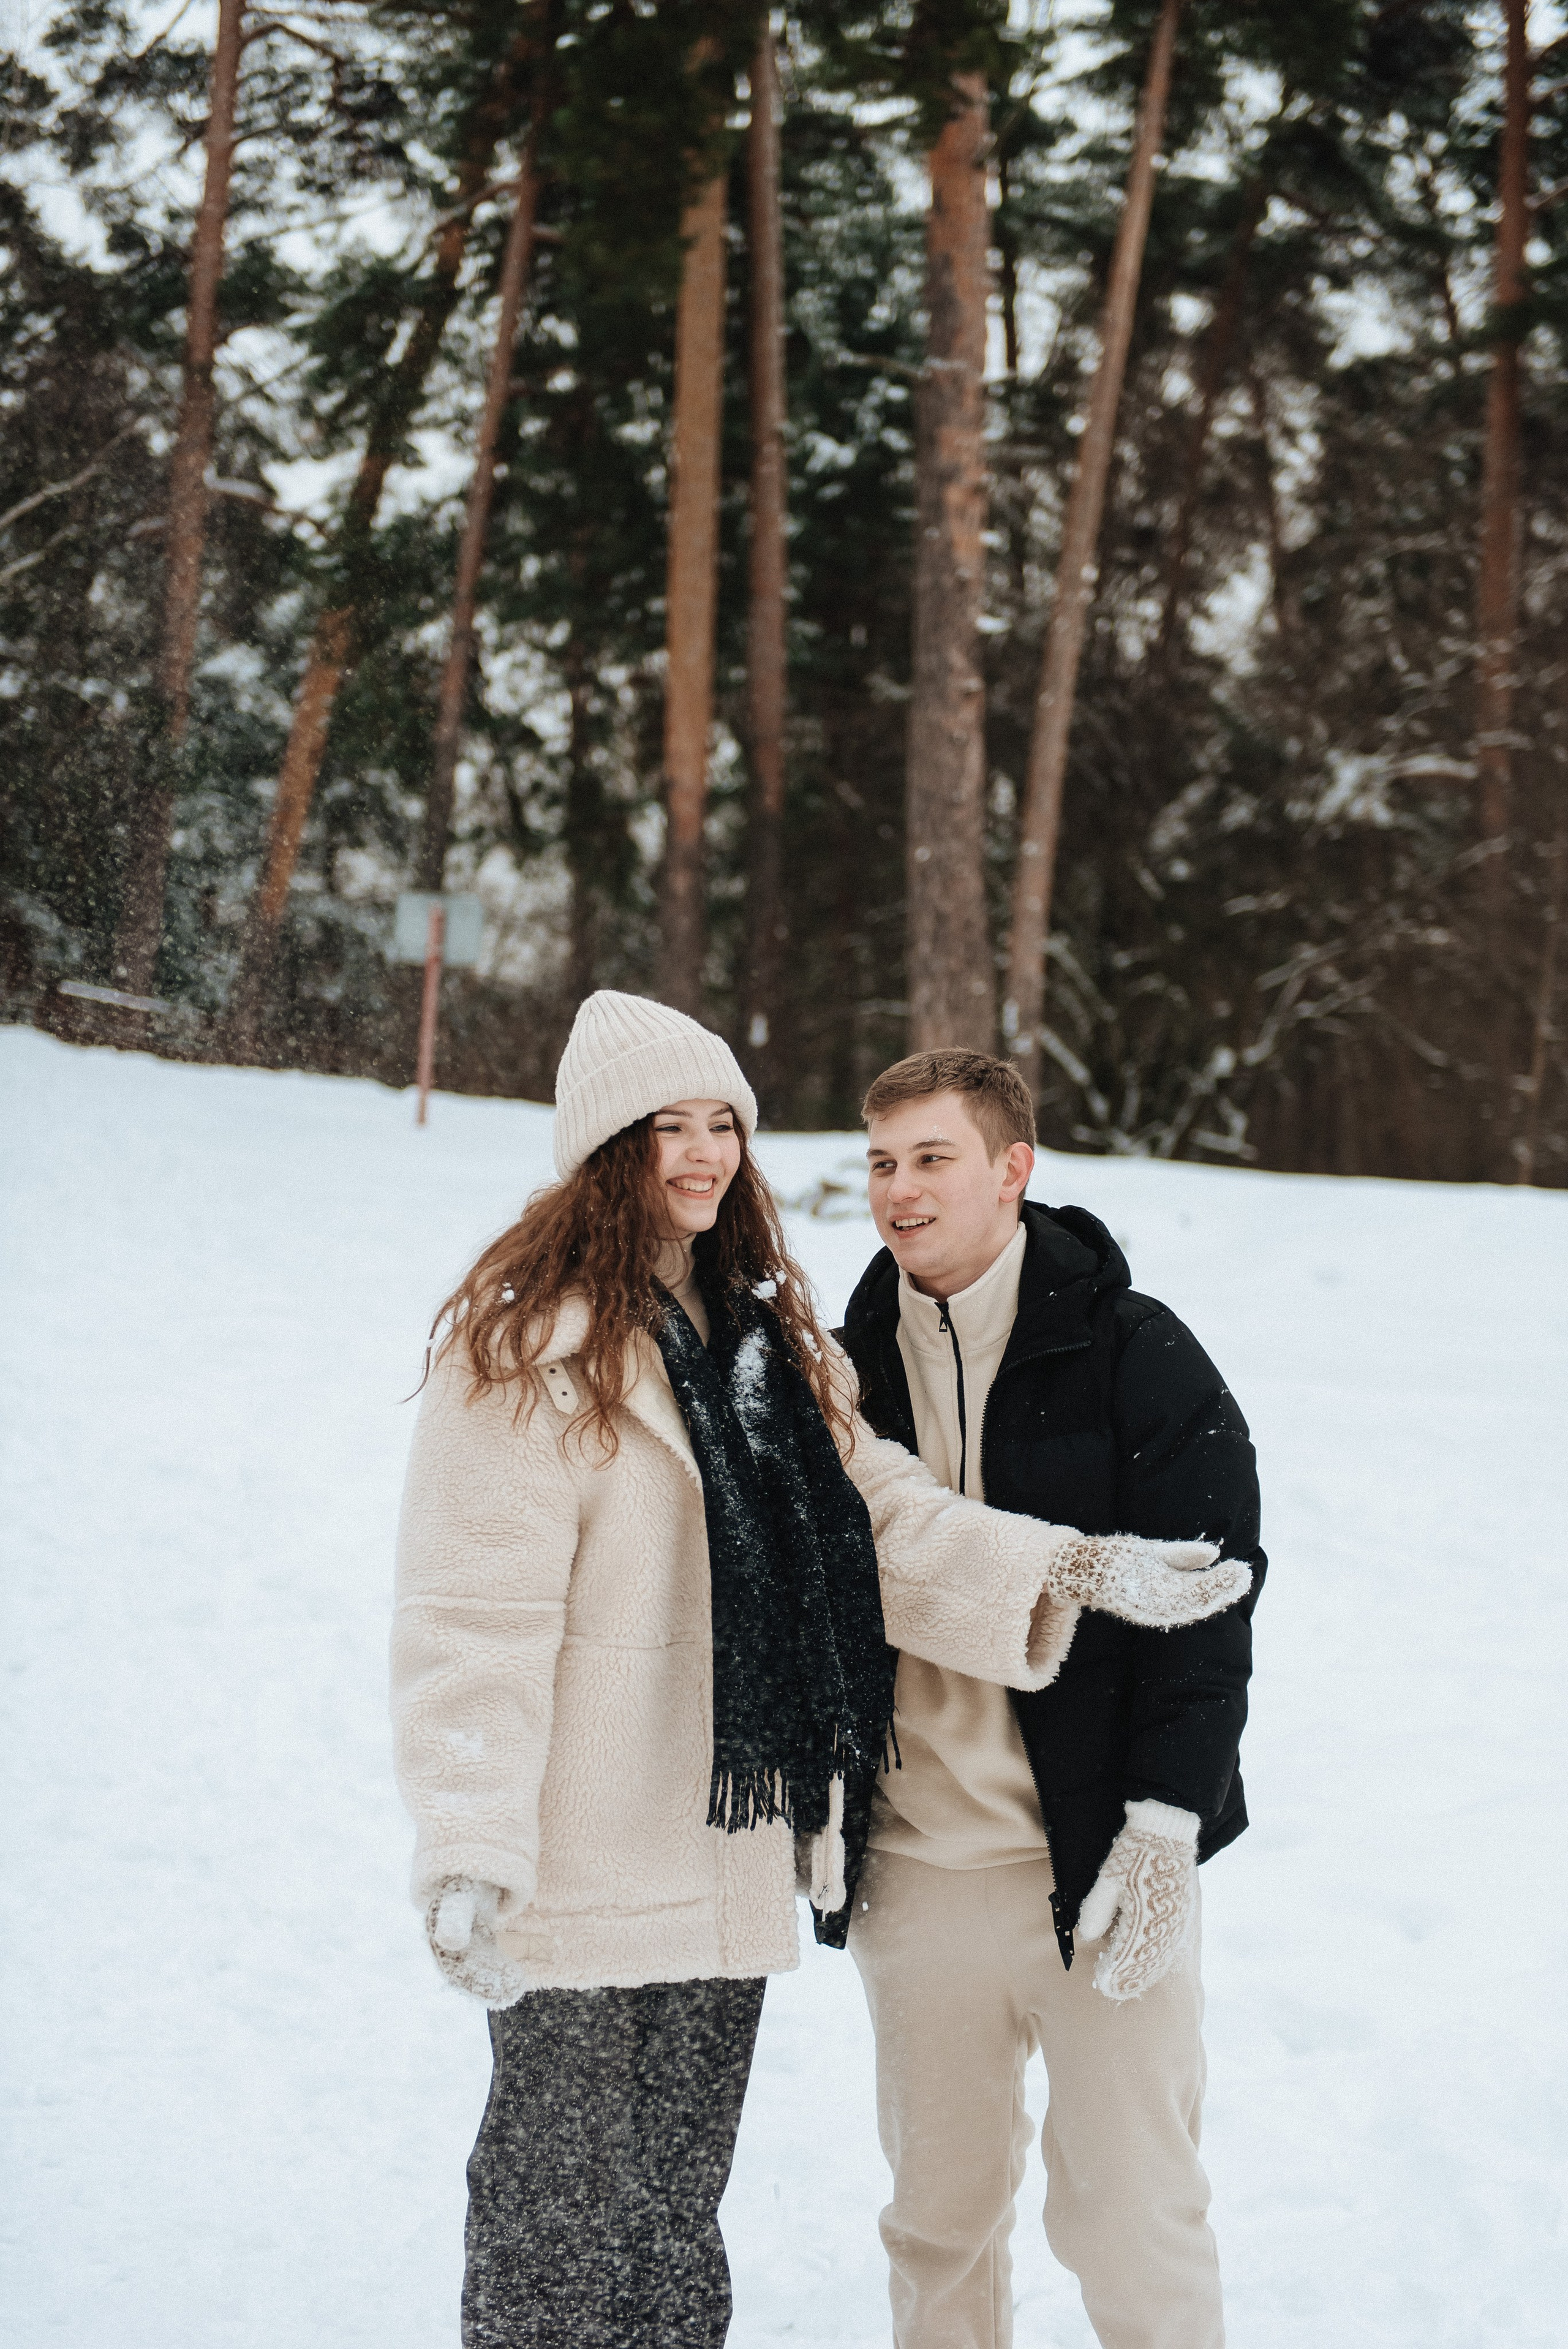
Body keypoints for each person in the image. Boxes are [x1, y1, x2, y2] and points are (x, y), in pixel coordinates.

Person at [391, 992, 1251, 2349]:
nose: (702, 1152)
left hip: (722, 1850)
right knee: (553, 2227)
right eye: (665, 1125)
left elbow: (885, 1526)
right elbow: (467, 1619)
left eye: (722, 1122)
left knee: (670, 2234)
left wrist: (1063, 1569)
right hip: (580, 1857)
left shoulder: (765, 1345)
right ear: (603, 1146)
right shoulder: (527, 1345)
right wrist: (465, 1839)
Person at [822, 1047, 1267, 2349]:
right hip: (916, 1869)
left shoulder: (1136, 1352)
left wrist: (1166, 1822)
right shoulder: (844, 1370)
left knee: (1132, 2221)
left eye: (930, 1158)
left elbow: (1212, 1600)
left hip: (1099, 1865)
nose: (898, 1191)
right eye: (880, 1161)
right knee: (938, 2224)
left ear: (1012, 1169)